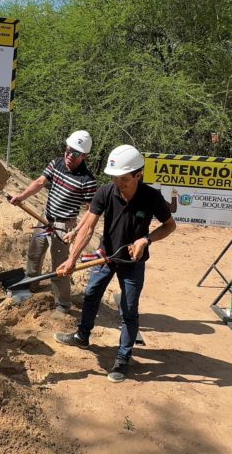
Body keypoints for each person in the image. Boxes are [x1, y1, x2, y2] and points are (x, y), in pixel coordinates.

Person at [53, 145, 177, 382]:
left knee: (129, 310)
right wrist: (71, 259)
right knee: (91, 295)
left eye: (124, 179)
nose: (118, 183)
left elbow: (170, 225)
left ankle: (122, 358)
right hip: (105, 256)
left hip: (132, 262)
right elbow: (88, 227)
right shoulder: (105, 192)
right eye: (115, 178)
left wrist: (146, 239)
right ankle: (82, 336)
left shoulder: (151, 197)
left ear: (138, 174)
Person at [8, 130, 98, 314]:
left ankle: (62, 305)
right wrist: (21, 196)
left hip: (63, 226)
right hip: (45, 220)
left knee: (60, 266)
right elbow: (41, 181)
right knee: (34, 254)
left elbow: (91, 210)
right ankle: (30, 286)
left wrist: (76, 230)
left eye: (75, 153)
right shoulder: (56, 163)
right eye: (68, 149)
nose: (69, 155)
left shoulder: (87, 180)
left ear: (84, 156)